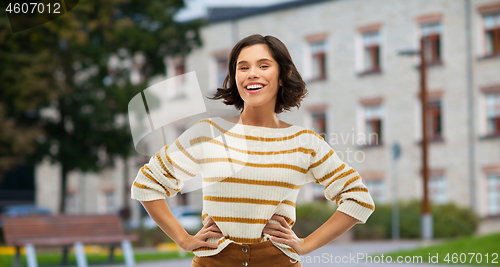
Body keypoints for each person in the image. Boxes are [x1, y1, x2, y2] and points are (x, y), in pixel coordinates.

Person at [130, 34, 375, 267]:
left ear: (281, 76)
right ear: (235, 77)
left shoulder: (305, 142)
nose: (252, 74)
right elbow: (147, 182)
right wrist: (183, 239)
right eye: (243, 67)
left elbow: (357, 198)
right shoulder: (208, 133)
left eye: (263, 65)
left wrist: (306, 245)